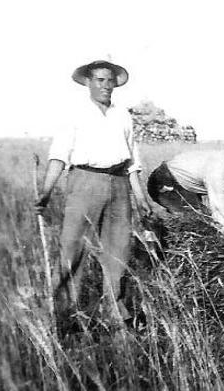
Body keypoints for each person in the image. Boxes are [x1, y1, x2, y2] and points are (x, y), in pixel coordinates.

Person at [35, 60, 153, 323]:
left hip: (119, 184)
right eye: (99, 80)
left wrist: (141, 199)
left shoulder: (122, 114)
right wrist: (45, 191)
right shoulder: (75, 113)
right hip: (84, 182)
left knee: (118, 251)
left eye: (110, 80)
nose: (106, 86)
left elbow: (133, 161)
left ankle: (115, 315)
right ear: (88, 82)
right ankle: (63, 316)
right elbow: (59, 156)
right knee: (73, 248)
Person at [147, 135, 224, 235]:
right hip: (166, 181)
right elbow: (223, 217)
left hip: (189, 186)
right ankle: (152, 232)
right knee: (198, 226)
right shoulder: (218, 170)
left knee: (208, 223)